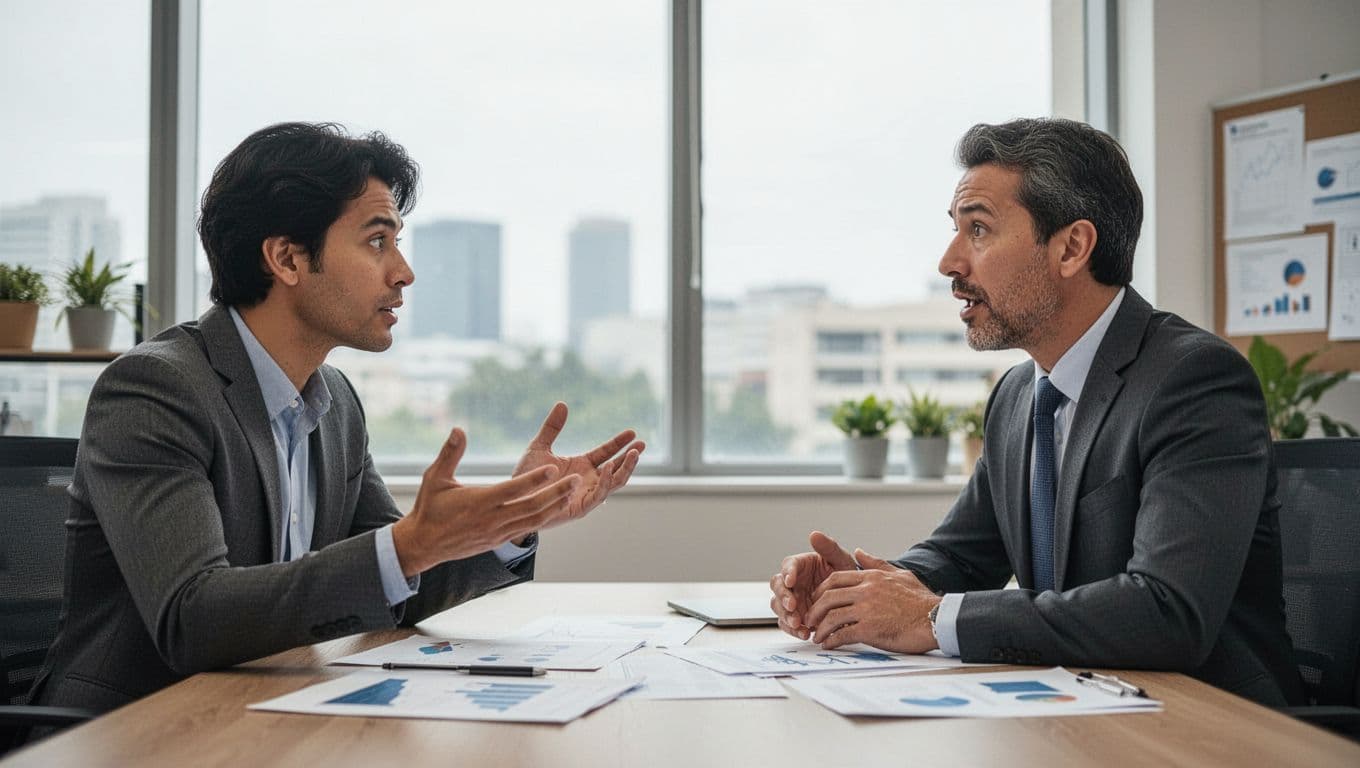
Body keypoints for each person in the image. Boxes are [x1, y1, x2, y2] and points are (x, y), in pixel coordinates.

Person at [32, 122, 644, 713]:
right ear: (287, 259)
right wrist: (405, 548)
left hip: (267, 714)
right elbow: (192, 618)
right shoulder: (157, 389)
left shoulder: (336, 403)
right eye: (378, 241)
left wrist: (511, 520)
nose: (403, 271)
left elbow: (400, 586)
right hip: (136, 733)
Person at [770, 118, 1304, 706]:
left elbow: (1166, 610)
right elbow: (959, 556)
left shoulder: (1193, 380)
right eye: (955, 230)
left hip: (1211, 725)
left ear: (1071, 247)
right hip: (1080, 709)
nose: (949, 262)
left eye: (978, 229)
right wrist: (860, 590)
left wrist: (927, 618)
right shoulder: (1019, 394)